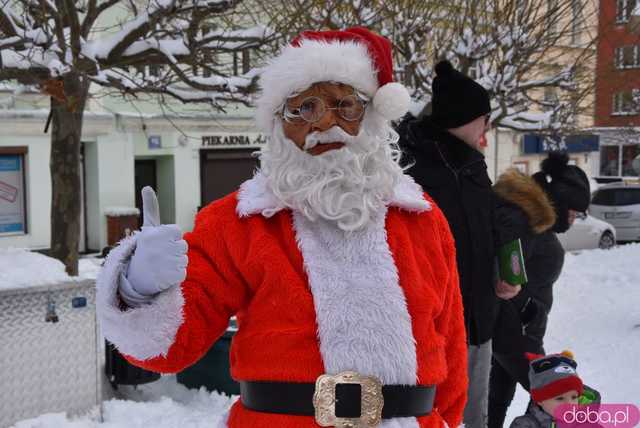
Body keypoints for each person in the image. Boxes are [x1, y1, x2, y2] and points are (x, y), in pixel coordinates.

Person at [97, 27, 468, 428]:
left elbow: (451, 350)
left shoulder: (422, 219)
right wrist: (140, 290)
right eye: (304, 108)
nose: (325, 123)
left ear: (374, 117)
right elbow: (169, 348)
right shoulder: (239, 223)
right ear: (278, 124)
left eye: (344, 105)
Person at [397, 59, 516, 428]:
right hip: (429, 330)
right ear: (467, 118)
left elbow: (490, 224)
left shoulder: (472, 166)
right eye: (485, 117)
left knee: (472, 417)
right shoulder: (409, 165)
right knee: (430, 417)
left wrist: (507, 268)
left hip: (478, 322)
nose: (487, 127)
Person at [489, 152, 591, 428]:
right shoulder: (522, 219)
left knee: (497, 397)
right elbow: (507, 279)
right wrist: (526, 304)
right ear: (559, 200)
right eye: (573, 211)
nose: (574, 219)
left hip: (519, 328)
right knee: (558, 392)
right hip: (516, 329)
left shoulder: (533, 221)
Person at [509, 351, 600, 428]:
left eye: (574, 397)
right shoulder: (525, 425)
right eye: (560, 398)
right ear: (540, 401)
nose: (569, 404)